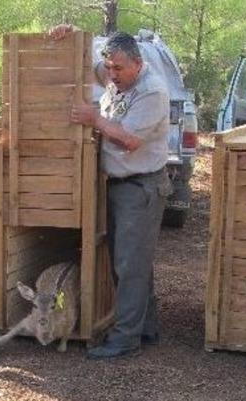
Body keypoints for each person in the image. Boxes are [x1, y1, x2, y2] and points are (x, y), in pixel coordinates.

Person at [50, 25, 172, 359]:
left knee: (130, 265)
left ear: (138, 64)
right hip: (122, 186)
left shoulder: (152, 91)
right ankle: (145, 328)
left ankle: (125, 339)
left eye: (118, 68)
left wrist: (96, 120)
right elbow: (91, 62)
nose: (111, 74)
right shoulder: (117, 76)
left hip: (141, 187)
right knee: (133, 262)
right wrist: (73, 34)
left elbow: (130, 140)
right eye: (109, 68)